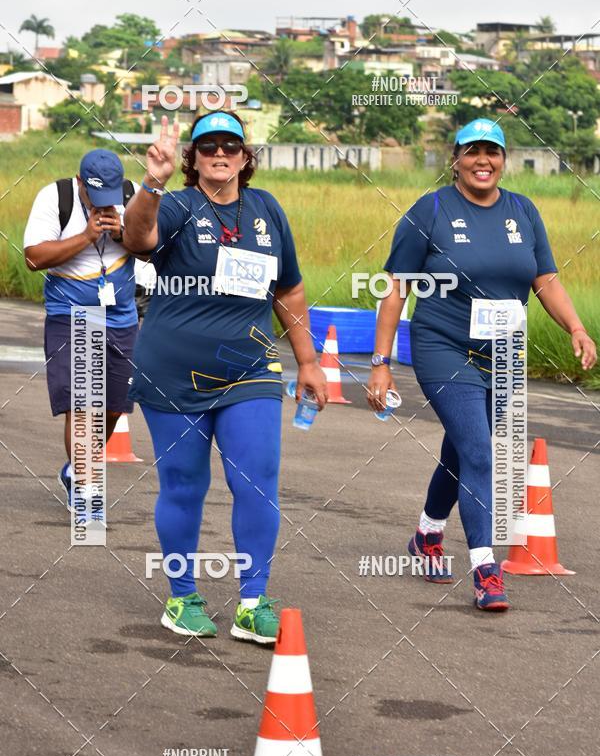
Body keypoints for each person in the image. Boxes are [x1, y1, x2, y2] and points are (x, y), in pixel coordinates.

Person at [368, 118, 597, 612]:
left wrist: (576, 328)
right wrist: (381, 362)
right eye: (472, 152)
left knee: (463, 450)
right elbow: (395, 289)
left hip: (505, 352)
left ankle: (427, 534)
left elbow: (546, 280)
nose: (482, 161)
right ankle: (485, 569)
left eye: (491, 152)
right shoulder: (429, 210)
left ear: (503, 159)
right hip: (443, 346)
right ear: (456, 159)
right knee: (479, 450)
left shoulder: (523, 210)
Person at [123, 111, 327, 643]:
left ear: (245, 155)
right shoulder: (178, 207)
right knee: (185, 485)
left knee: (255, 481)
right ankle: (182, 596)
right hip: (174, 373)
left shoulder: (266, 209)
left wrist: (308, 361)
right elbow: (136, 237)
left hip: (252, 368)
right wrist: (152, 183)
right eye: (208, 145)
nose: (220, 153)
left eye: (230, 146)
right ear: (192, 157)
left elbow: (290, 291)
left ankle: (252, 600)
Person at [23, 150, 142, 515]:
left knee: (112, 408)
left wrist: (123, 232)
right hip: (71, 315)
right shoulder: (55, 197)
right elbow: (33, 258)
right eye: (95, 198)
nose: (104, 206)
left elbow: (155, 249)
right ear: (80, 184)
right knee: (83, 404)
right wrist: (86, 237)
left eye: (110, 198)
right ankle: (87, 487)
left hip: (122, 317)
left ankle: (75, 469)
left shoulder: (134, 195)